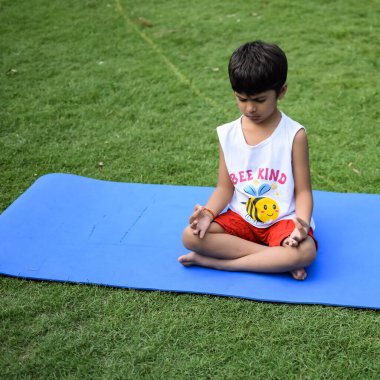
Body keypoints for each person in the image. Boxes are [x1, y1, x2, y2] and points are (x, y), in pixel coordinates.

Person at [178, 40, 317, 280]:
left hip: (282, 220)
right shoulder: (227, 134)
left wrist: (301, 225)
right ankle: (276, 259)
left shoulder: (294, 135)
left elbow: (303, 191)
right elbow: (224, 188)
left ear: (281, 91)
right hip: (240, 218)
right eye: (241, 99)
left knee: (305, 251)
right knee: (190, 236)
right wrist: (208, 214)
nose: (250, 108)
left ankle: (219, 264)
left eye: (259, 100)